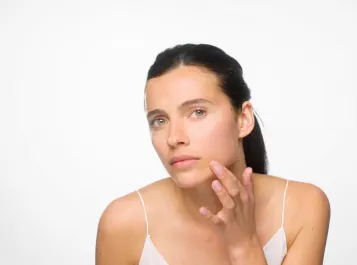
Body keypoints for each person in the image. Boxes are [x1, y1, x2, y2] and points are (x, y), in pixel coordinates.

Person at [95, 43, 330, 265]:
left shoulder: (301, 207)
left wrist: (244, 245)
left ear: (243, 119)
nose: (173, 137)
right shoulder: (123, 223)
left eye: (197, 112)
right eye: (159, 120)